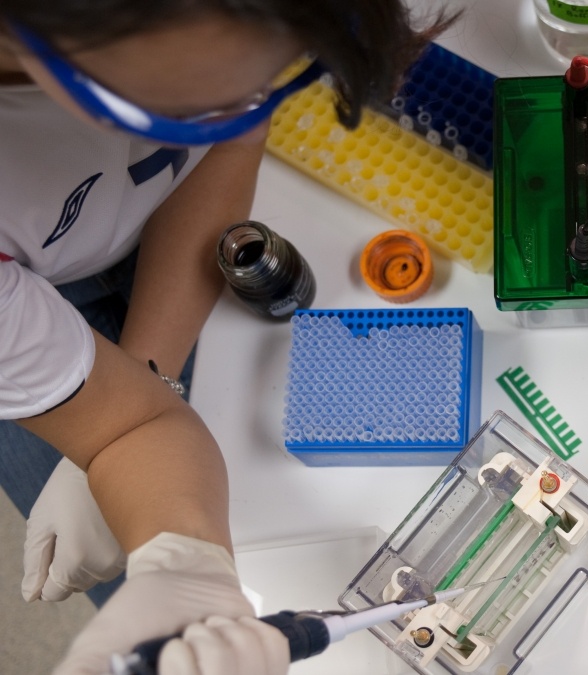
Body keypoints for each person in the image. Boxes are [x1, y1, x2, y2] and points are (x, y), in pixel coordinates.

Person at [0, 0, 452, 672]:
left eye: (266, 81)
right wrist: (157, 530)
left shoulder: (208, 38)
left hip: (162, 227)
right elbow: (117, 429)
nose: (237, 111)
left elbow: (229, 138)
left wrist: (186, 564)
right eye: (177, 106)